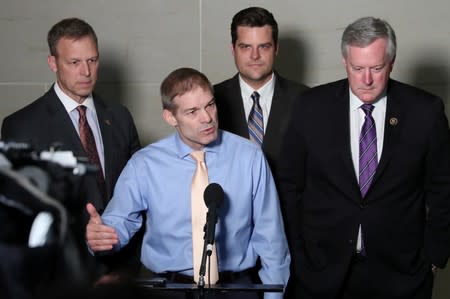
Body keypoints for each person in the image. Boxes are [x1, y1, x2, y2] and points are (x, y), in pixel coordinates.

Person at [278, 16, 450, 299]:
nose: (366, 79)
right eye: (357, 68)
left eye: (376, 68)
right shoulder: (311, 107)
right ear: (345, 62)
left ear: (391, 63)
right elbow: (289, 184)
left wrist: (434, 258)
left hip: (401, 275)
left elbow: (444, 190)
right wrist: (297, 253)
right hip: (321, 272)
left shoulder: (425, 111)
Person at [85, 67, 290, 299]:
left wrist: (274, 296)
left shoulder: (249, 156)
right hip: (166, 290)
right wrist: (101, 237)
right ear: (170, 117)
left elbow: (271, 237)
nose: (207, 118)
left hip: (236, 289)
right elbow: (119, 223)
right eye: (192, 111)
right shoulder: (144, 164)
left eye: (210, 105)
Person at [1, 18, 141, 283]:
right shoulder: (21, 125)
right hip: (61, 276)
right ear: (53, 63)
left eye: (92, 60)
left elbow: (141, 193)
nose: (86, 72)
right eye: (74, 62)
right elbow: (22, 216)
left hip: (122, 273)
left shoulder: (120, 117)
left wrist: (124, 268)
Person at [214, 6, 308, 179]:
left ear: (276, 48)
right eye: (246, 47)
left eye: (263, 47)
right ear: (233, 49)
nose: (255, 56)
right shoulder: (211, 100)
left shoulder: (306, 100)